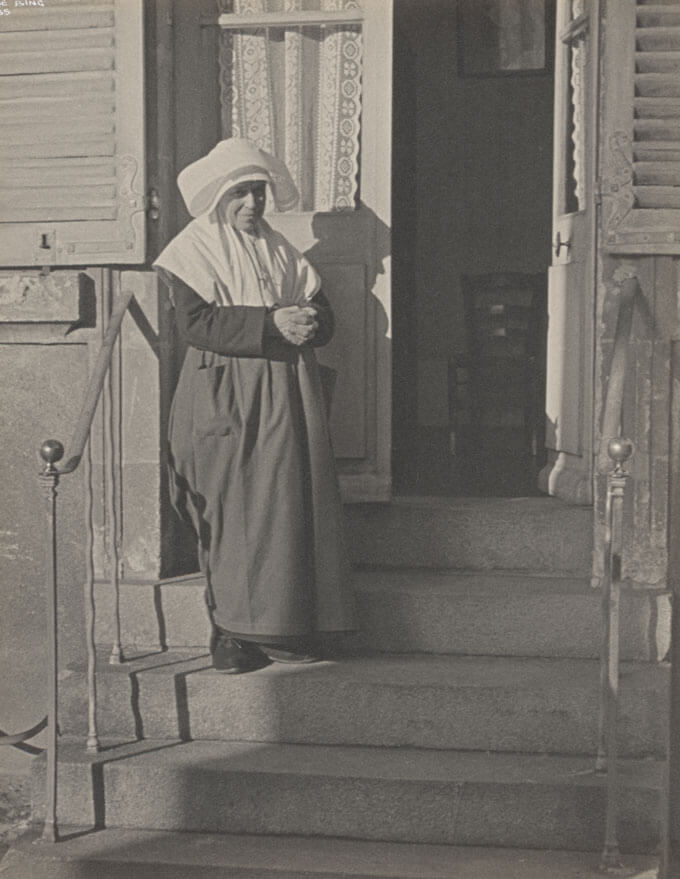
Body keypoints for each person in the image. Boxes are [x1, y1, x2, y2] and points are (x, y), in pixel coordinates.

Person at [153, 138, 355, 673]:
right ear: (219, 197)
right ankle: (229, 633)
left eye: (258, 192)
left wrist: (311, 322)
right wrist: (271, 324)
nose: (252, 204)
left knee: (289, 508)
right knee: (227, 506)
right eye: (240, 193)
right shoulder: (190, 251)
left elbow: (321, 311)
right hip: (225, 391)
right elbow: (196, 324)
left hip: (289, 391)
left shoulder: (281, 250)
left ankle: (288, 626)